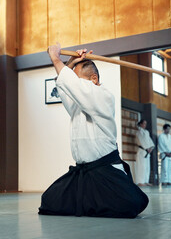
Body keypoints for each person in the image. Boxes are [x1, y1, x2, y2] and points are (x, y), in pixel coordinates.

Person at [38, 43, 149, 218]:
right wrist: (71, 62)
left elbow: (73, 85)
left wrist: (56, 59)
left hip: (106, 172)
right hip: (83, 173)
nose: (75, 85)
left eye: (78, 79)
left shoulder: (104, 97)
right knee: (49, 201)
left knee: (128, 205)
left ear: (94, 79)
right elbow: (66, 86)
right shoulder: (77, 104)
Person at [135, 119, 155, 186]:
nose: (145, 125)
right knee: (141, 167)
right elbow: (141, 141)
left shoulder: (146, 132)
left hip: (147, 152)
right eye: (143, 123)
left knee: (147, 167)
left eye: (145, 124)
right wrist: (146, 148)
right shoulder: (138, 132)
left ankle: (146, 180)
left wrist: (151, 148)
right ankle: (140, 181)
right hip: (142, 151)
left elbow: (150, 141)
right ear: (140, 124)